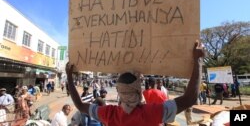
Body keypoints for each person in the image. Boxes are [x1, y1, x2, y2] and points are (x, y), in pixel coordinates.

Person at [66, 41, 204, 126]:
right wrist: (198, 61)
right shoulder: (152, 112)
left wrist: (69, 77)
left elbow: (80, 105)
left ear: (119, 93)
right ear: (138, 91)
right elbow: (190, 98)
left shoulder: (109, 113)